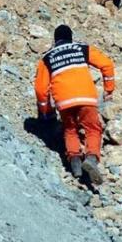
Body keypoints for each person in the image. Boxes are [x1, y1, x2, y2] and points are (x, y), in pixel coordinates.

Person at [34, 24, 115, 184]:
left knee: (70, 130)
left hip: (64, 101)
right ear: (71, 37)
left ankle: (75, 164)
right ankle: (91, 159)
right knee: (93, 129)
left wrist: (45, 110)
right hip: (86, 98)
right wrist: (108, 89)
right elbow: (107, 64)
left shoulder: (47, 58)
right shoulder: (82, 49)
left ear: (55, 40)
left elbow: (40, 88)